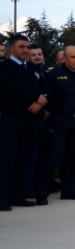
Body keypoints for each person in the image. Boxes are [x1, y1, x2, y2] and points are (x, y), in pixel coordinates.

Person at [33, 46, 75, 204]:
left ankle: (69, 190)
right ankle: (42, 193)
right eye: (73, 57)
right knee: (52, 157)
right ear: (64, 58)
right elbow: (45, 96)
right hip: (59, 121)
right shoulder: (54, 75)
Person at [0, 35, 48, 211]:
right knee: (7, 160)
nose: (26, 50)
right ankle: (2, 198)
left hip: (30, 120)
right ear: (11, 48)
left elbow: (45, 89)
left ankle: (17, 196)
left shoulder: (32, 69)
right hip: (11, 119)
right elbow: (11, 89)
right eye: (22, 47)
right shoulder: (4, 67)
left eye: (28, 47)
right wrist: (36, 98)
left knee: (24, 159)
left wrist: (40, 102)